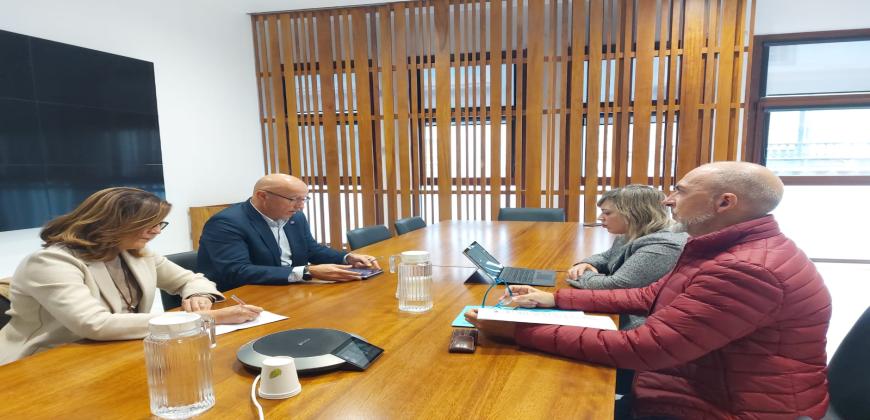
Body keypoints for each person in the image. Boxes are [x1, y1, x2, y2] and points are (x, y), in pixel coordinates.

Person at [466, 162, 831, 419]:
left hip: (731, 408)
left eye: (680, 191)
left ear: (725, 202)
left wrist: (519, 331)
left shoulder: (745, 269)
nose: (668, 200)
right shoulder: (725, 248)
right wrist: (556, 298)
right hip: (702, 384)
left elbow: (644, 349)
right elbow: (647, 296)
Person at [0, 187, 262, 365]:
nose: (157, 231)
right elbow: (95, 325)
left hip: (114, 351)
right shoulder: (51, 262)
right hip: (44, 362)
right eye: (149, 224)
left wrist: (198, 294)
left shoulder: (135, 253)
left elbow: (190, 279)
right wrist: (206, 318)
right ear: (109, 223)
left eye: (160, 223)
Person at [197, 174, 380, 291]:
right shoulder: (227, 223)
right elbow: (238, 272)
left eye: (304, 199)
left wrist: (347, 258)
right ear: (262, 196)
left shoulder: (295, 216)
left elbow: (311, 250)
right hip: (245, 297)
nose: (300, 206)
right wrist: (307, 272)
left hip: (289, 290)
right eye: (294, 199)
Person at [566, 185, 686, 329]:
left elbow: (614, 286)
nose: (600, 218)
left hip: (639, 324)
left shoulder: (664, 245)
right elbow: (607, 257)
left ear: (633, 213)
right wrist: (586, 263)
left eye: (607, 213)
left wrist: (581, 274)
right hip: (621, 308)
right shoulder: (633, 233)